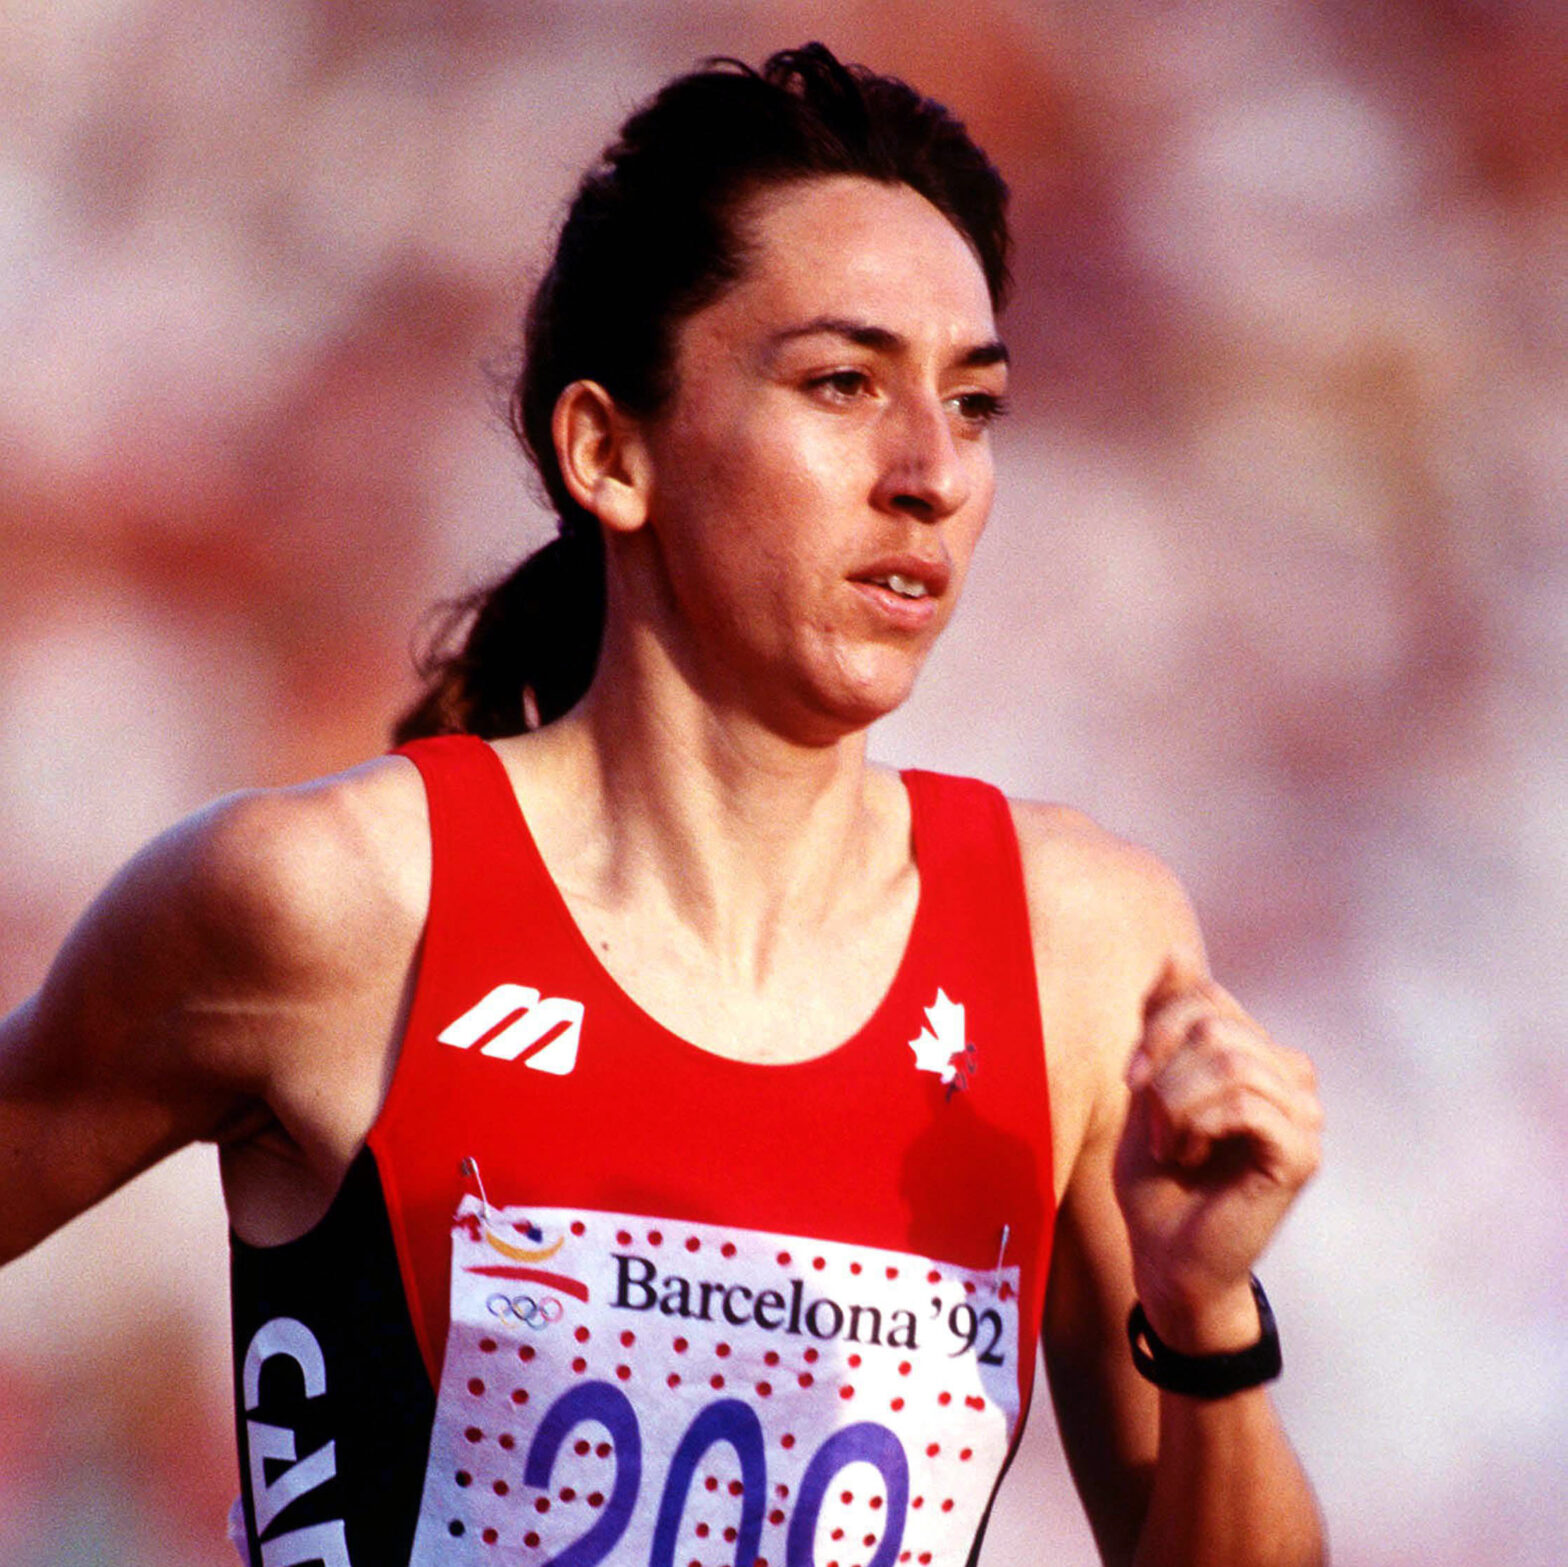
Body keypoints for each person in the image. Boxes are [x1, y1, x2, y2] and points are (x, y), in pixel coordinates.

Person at [0, 43, 1324, 1567]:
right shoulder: (330, 906)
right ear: (608, 451)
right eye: (844, 382)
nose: (932, 474)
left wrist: (1207, 1314)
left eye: (974, 405)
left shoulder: (1080, 952)